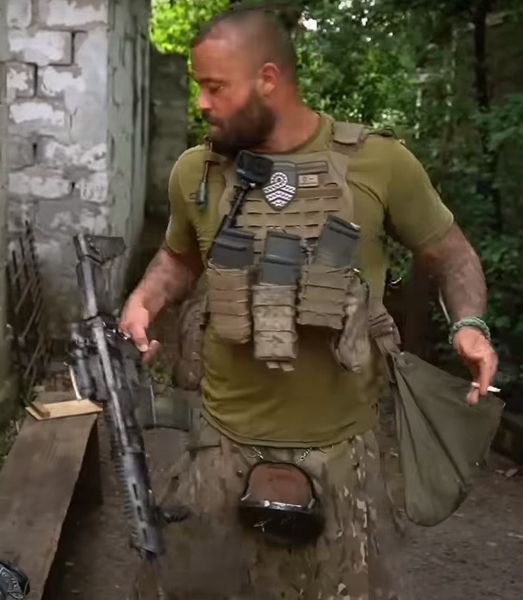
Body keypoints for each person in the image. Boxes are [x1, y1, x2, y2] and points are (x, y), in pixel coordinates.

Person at [122, 7, 498, 599]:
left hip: (339, 457)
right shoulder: (196, 172)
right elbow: (179, 257)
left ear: (268, 79)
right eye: (199, 86)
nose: (201, 102)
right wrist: (145, 300)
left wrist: (469, 325)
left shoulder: (380, 164)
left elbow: (452, 256)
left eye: (215, 87)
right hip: (219, 445)